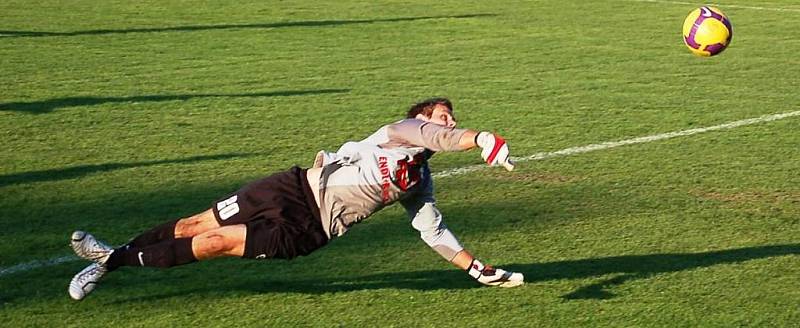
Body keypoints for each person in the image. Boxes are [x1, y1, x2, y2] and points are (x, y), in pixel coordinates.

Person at [68, 97, 522, 301]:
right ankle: (112, 260)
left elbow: (433, 231)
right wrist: (481, 138)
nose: (449, 122)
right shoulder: (397, 133)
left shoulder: (417, 183)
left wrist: (477, 268)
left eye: (452, 118)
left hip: (306, 230)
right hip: (289, 187)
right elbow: (440, 137)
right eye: (443, 116)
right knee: (194, 225)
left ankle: (108, 262)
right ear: (423, 119)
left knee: (214, 243)